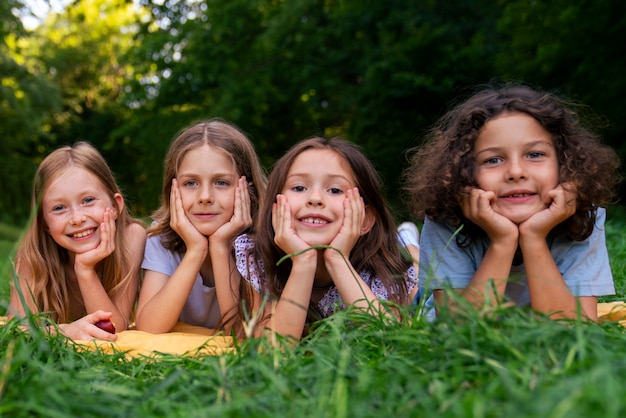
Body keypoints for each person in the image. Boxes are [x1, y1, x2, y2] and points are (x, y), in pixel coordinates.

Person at [404, 84, 621, 321]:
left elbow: (575, 329)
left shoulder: (583, 215)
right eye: (493, 159)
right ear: (464, 173)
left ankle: (410, 244)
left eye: (535, 154)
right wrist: (503, 241)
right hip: (431, 307)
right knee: (412, 289)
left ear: (563, 163)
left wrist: (534, 237)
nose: (516, 172)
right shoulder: (446, 217)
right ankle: (407, 244)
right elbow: (462, 333)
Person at [235, 136, 417, 340]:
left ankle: (407, 237)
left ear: (365, 218)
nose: (315, 199)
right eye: (299, 188)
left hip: (397, 252)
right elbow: (273, 352)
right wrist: (303, 261)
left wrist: (337, 259)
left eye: (335, 190)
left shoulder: (384, 268)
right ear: (274, 206)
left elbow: (390, 344)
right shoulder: (257, 260)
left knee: (414, 255)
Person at [135, 119, 266, 333]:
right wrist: (196, 250)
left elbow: (242, 332)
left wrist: (220, 247)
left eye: (221, 182)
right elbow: (149, 327)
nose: (205, 197)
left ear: (246, 189)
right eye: (191, 183)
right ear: (172, 190)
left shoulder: (261, 241)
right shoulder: (161, 238)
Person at [9, 142, 146, 341]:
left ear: (115, 205)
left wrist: (84, 269)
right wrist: (65, 331)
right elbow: (15, 329)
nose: (77, 218)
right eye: (58, 208)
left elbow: (115, 328)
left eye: (88, 200)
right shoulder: (33, 253)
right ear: (44, 222)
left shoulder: (132, 237)